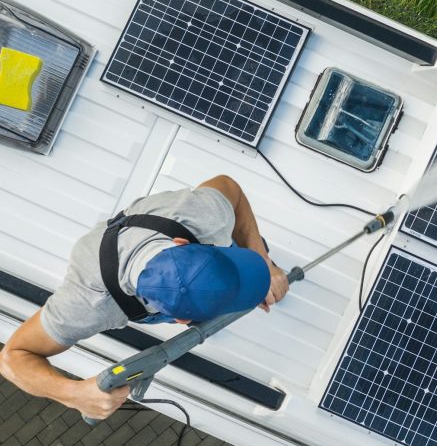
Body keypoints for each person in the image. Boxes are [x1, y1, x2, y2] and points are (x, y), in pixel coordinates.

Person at [0, 175, 288, 420]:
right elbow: (12, 358)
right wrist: (73, 394)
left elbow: (230, 189)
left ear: (182, 243)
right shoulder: (88, 302)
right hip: (106, 272)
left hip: (154, 228)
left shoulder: (201, 215)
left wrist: (263, 263)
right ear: (182, 320)